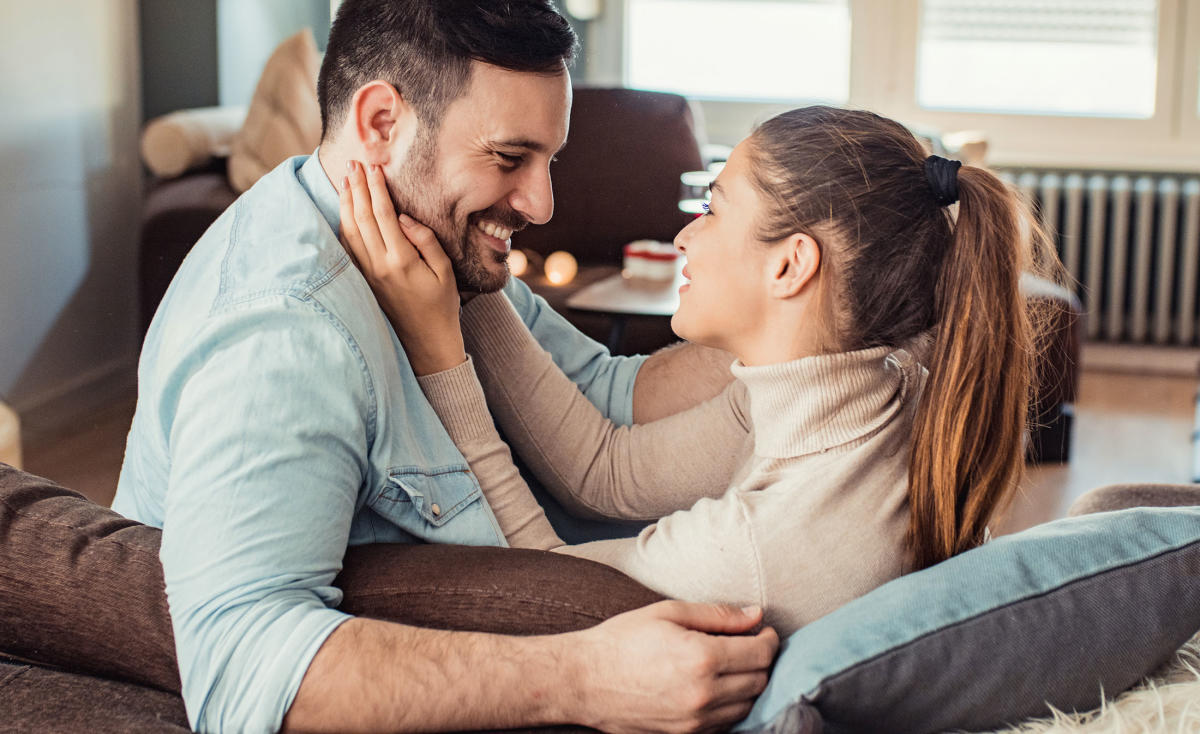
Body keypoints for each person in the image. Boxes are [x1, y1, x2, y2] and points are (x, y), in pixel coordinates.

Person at [112, 0, 776, 734]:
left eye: (549, 159)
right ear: (382, 123)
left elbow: (603, 396)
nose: (541, 202)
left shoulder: (427, 253)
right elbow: (244, 669)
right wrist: (584, 677)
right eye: (509, 158)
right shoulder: (286, 333)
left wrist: (808, 332)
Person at [338, 104, 1064, 637]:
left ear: (790, 264)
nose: (687, 233)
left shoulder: (758, 546)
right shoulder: (868, 386)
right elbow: (606, 469)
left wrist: (439, 347)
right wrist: (470, 278)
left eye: (713, 208)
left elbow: (542, 580)